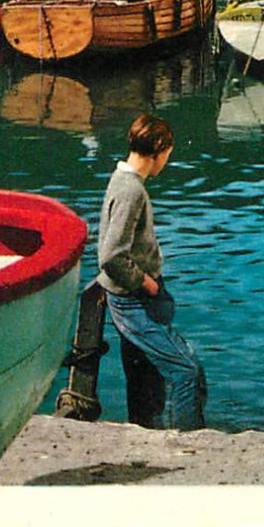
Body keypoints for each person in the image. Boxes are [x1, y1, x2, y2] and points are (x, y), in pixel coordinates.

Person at [96, 113, 206, 431]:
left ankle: (146, 432)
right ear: (158, 148)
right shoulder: (132, 191)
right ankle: (191, 440)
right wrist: (146, 283)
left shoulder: (122, 181)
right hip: (134, 301)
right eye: (168, 155)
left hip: (130, 300)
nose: (166, 162)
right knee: (187, 370)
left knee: (144, 379)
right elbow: (112, 256)